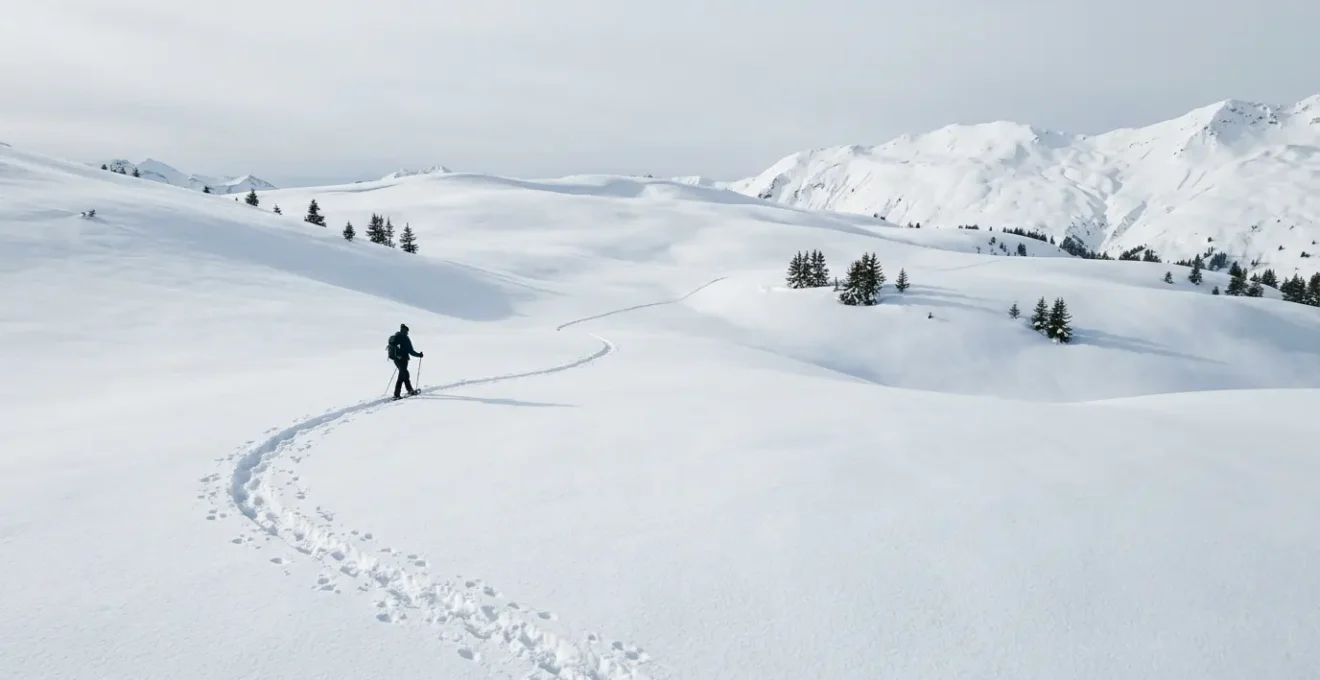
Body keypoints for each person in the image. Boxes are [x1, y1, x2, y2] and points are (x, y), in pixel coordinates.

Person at [388, 323, 423, 399]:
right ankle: (396, 395)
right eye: (407, 331)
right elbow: (411, 351)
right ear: (406, 330)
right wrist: (419, 355)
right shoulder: (405, 338)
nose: (407, 332)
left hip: (396, 360)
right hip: (403, 360)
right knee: (401, 376)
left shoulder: (396, 336)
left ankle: (410, 390)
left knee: (405, 374)